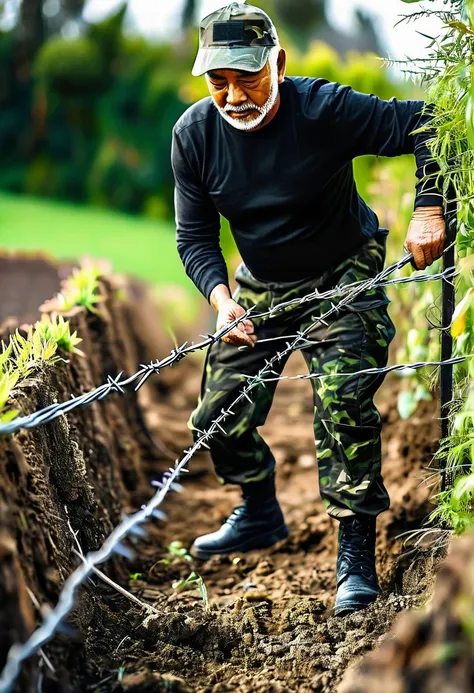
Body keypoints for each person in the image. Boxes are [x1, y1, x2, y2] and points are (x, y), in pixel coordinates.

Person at [171, 2, 445, 615]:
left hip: (341, 277)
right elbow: (194, 238)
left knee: (342, 399)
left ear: (279, 62)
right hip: (260, 286)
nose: (234, 95)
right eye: (219, 80)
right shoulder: (193, 136)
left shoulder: (324, 110)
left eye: (249, 76)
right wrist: (222, 302)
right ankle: (260, 512)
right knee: (219, 417)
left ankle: (355, 553)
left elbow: (428, 122)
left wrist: (430, 206)